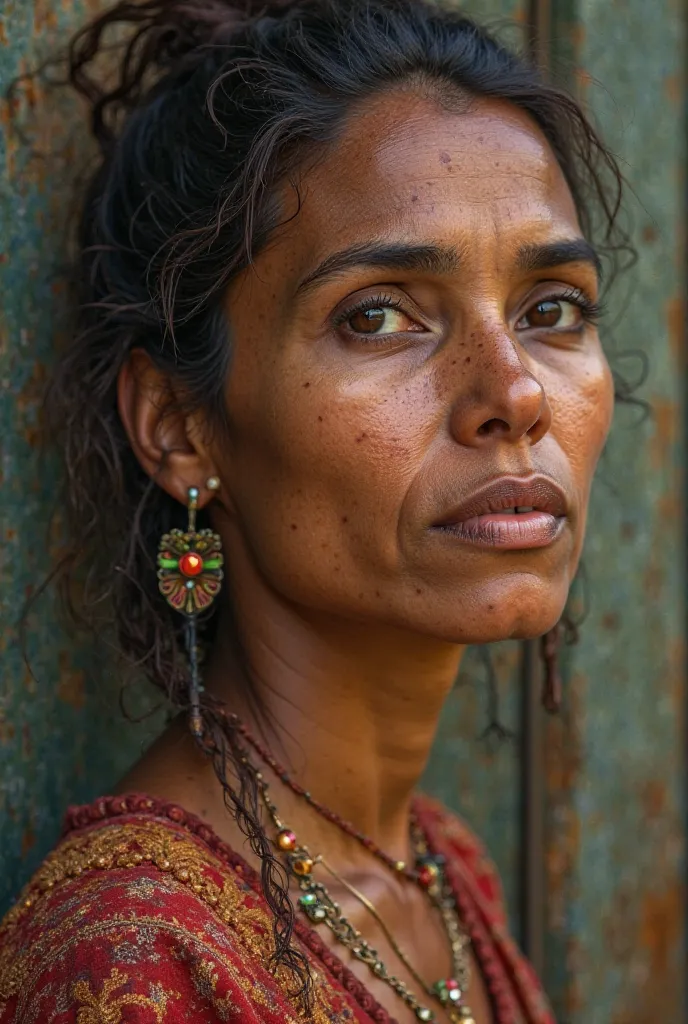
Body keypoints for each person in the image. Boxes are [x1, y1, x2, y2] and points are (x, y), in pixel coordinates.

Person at [0, 1, 627, 1021]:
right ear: (179, 427)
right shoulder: (137, 965)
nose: (514, 392)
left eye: (549, 308)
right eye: (378, 316)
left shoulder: (440, 877)